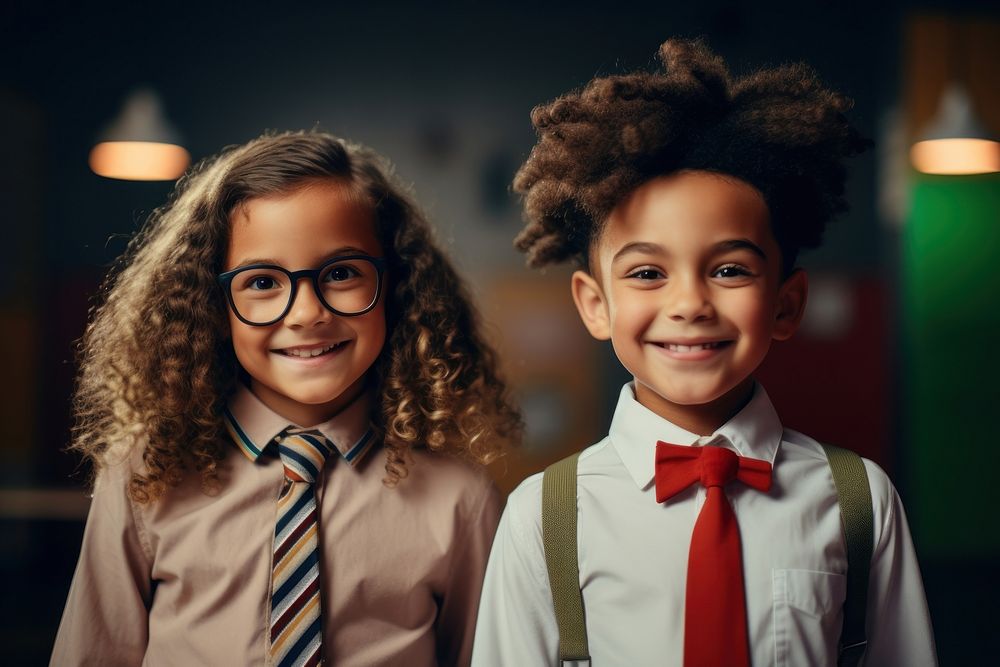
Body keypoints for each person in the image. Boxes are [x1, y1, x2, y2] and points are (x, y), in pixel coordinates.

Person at [472, 39, 936, 666]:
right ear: (594, 305)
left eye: (729, 270)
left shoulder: (861, 500)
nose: (690, 303)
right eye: (645, 274)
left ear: (786, 304)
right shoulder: (543, 517)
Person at [52, 130, 522, 666]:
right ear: (212, 305)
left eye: (341, 273)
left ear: (397, 287)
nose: (306, 313)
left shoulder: (460, 499)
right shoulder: (146, 474)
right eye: (261, 282)